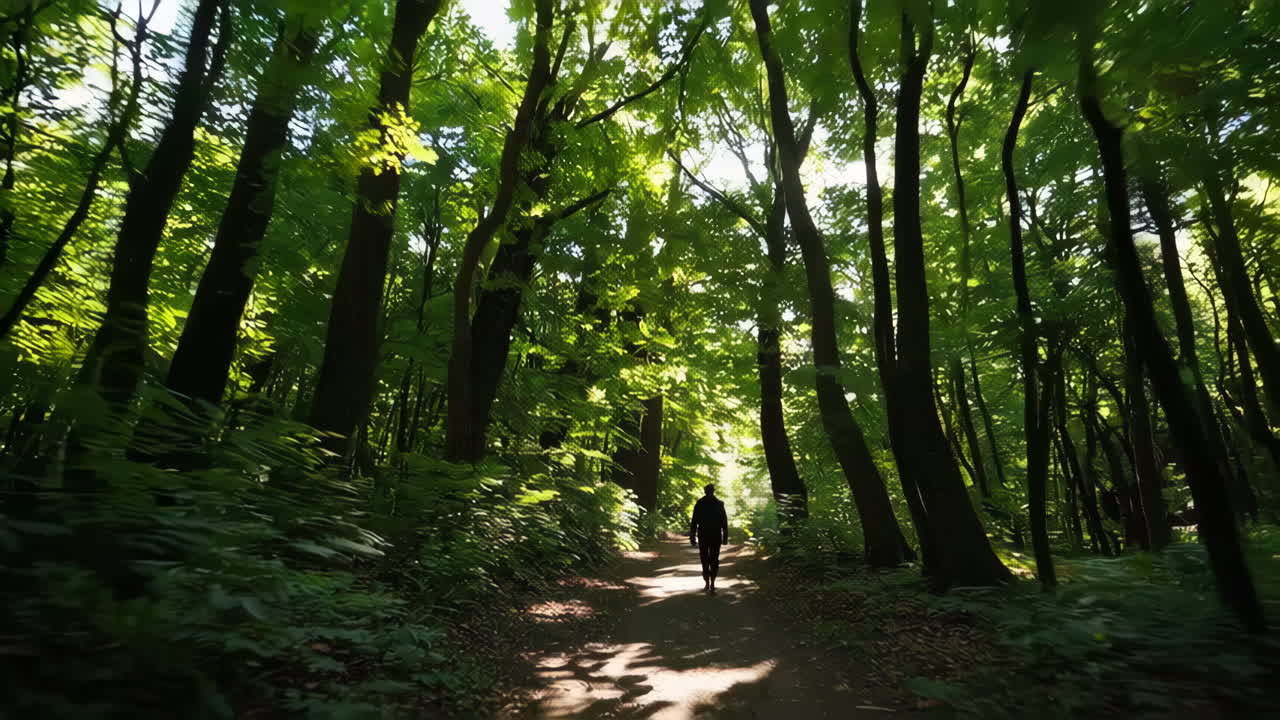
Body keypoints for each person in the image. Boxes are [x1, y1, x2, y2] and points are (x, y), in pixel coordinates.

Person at [689, 484, 729, 594]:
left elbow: (694, 521)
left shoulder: (699, 503)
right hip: (715, 535)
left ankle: (707, 582)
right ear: (713, 491)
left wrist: (692, 536)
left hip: (703, 534)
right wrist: (725, 536)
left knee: (704, 558)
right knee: (714, 559)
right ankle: (712, 583)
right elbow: (724, 522)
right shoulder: (719, 504)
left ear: (705, 491)